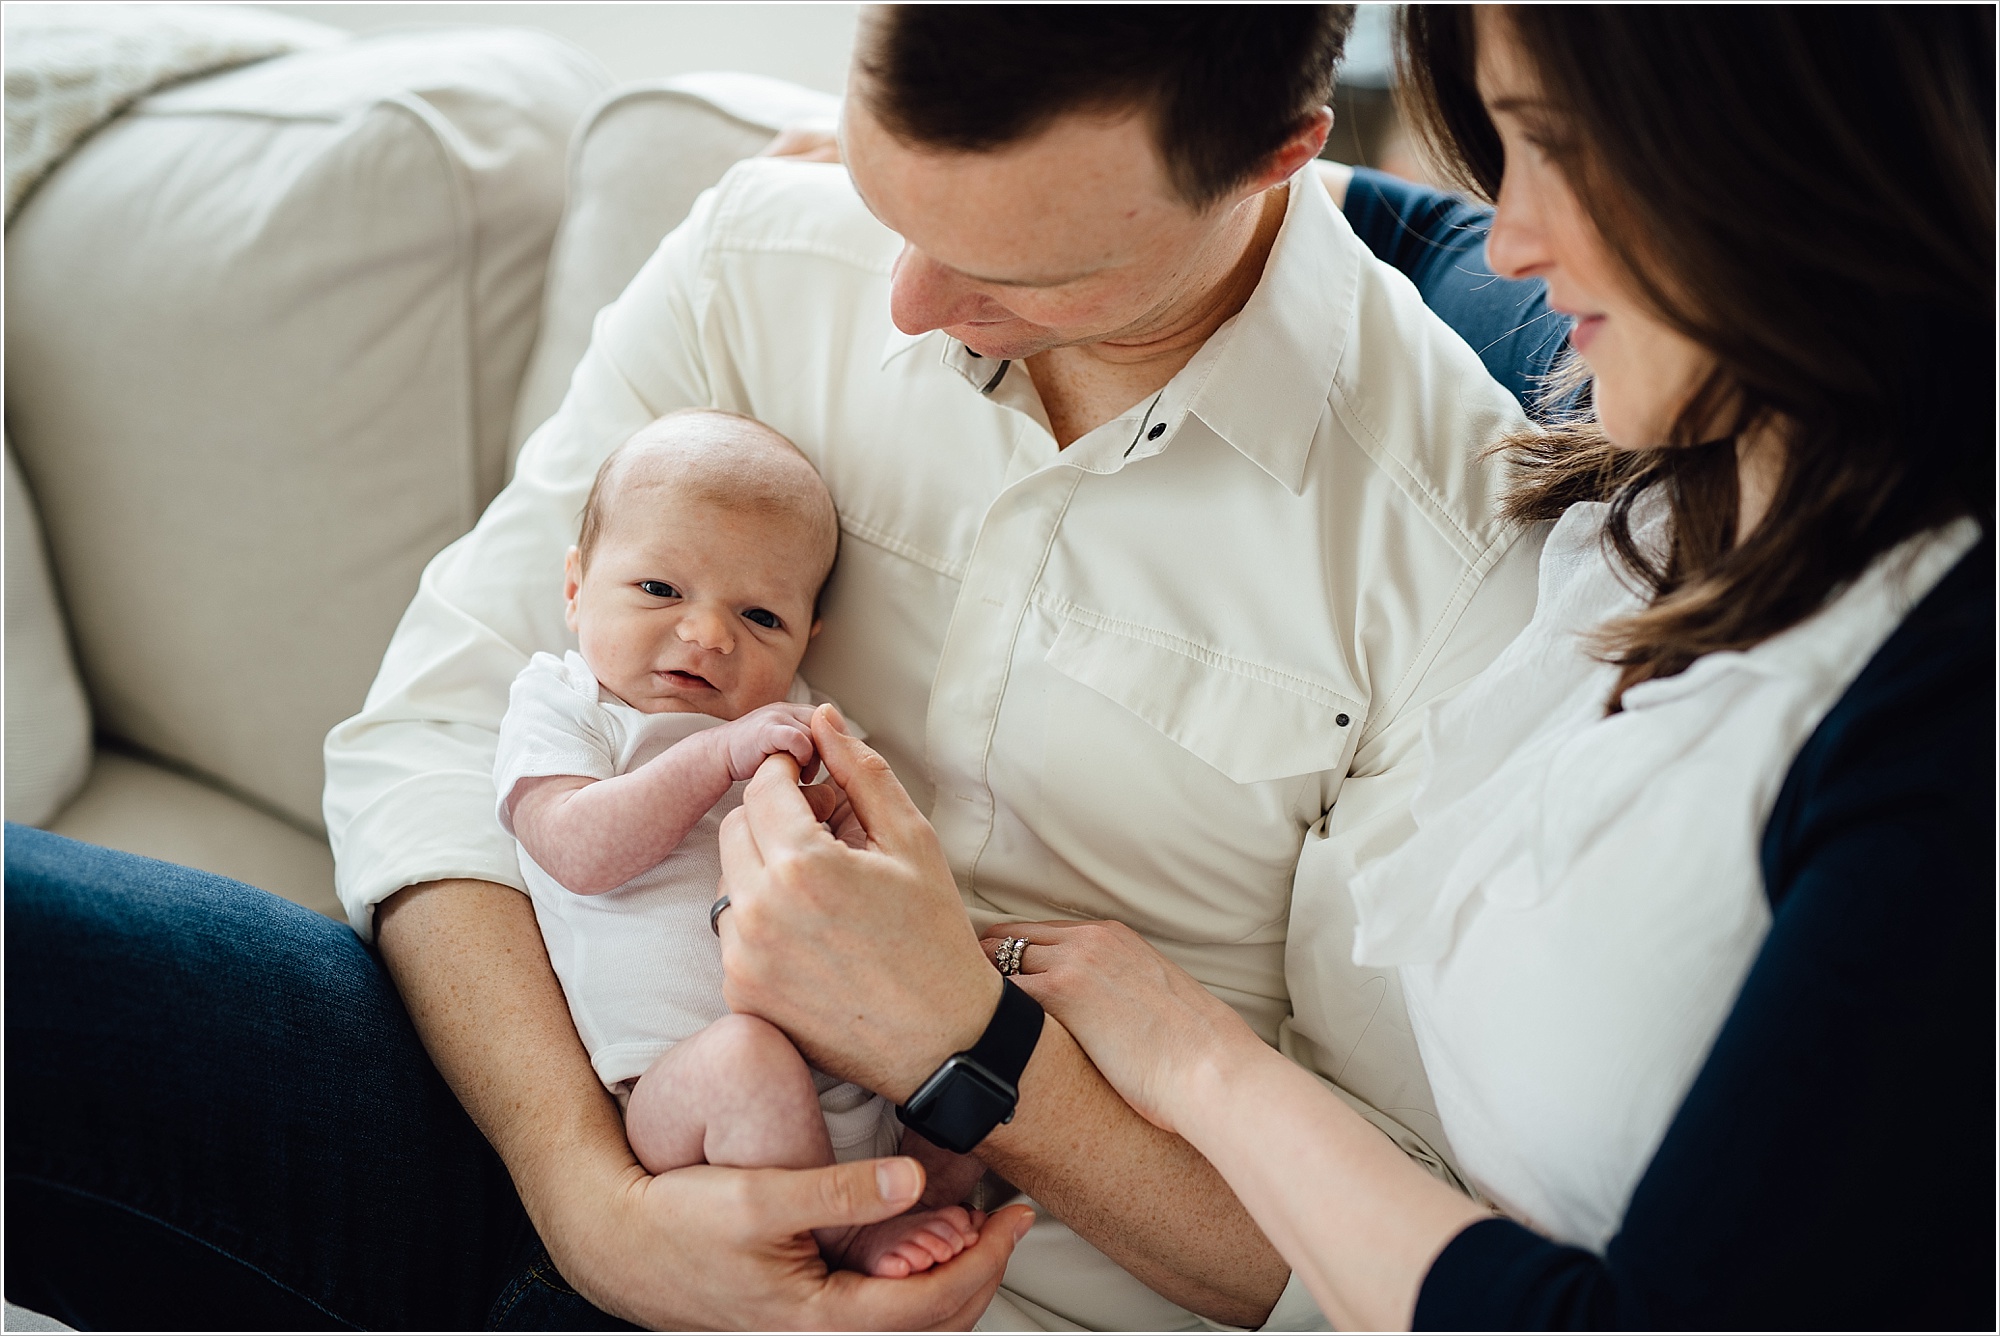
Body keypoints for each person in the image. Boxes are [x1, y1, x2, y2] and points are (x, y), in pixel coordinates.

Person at [6, 8, 1541, 1329]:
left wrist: (972, 1052)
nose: (908, 308)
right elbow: (440, 728)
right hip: (539, 1116)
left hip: (998, 1283)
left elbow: (1381, 1246)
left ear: (1281, 157)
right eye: (891, 204)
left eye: (1020, 269)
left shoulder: (1457, 541)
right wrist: (587, 1197)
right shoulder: (767, 254)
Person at [913, 6, 1991, 1329]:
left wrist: (1195, 1061)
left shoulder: (1946, 724)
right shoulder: (1685, 421)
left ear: (1806, 149)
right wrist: (993, 229)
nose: (1521, 236)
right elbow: (1398, 229)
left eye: (1561, 147)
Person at [496, 411, 986, 1280]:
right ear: (575, 590)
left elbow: (867, 859)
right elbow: (575, 848)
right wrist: (713, 756)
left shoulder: (793, 719)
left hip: (843, 1052)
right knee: (747, 1059)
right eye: (659, 589)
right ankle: (837, 1237)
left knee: (986, 1051)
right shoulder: (566, 705)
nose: (710, 635)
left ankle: (908, 1196)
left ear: (806, 641)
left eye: (761, 616)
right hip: (681, 1086)